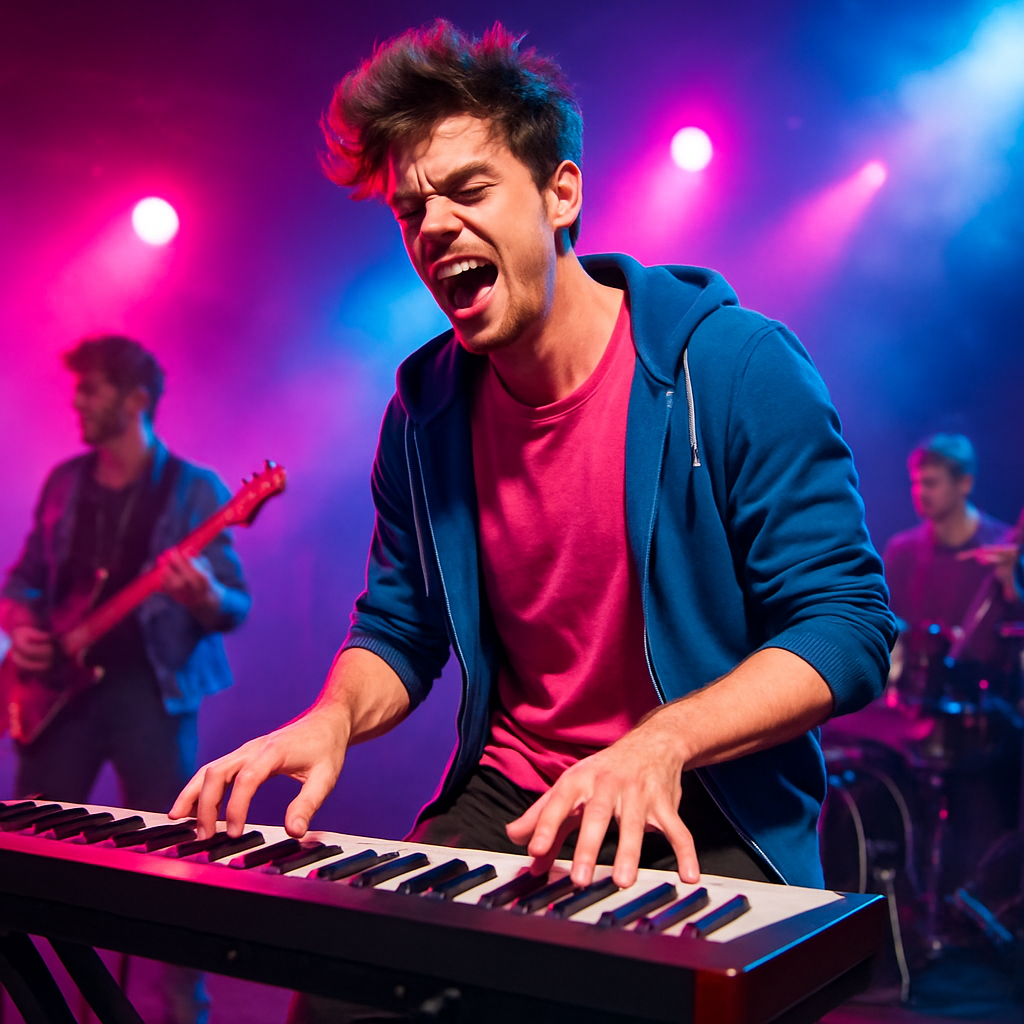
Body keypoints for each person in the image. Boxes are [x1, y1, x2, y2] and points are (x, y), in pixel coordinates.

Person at [174, 15, 892, 914]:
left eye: (468, 189)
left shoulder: (736, 366)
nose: (434, 227)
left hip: (705, 794)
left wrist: (659, 744)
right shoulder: (424, 417)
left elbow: (847, 625)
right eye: (411, 211)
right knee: (357, 968)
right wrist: (334, 719)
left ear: (561, 194)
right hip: (517, 799)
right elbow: (401, 628)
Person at [0, 334, 250, 1024]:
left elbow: (234, 604)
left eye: (91, 388)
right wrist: (22, 627)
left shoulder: (196, 489)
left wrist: (203, 596)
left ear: (136, 399)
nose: (78, 402)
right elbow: (23, 581)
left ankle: (181, 1009)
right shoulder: (64, 483)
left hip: (151, 696)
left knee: (173, 863)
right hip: (62, 699)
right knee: (28, 853)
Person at [883, 434, 1023, 696]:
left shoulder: (1003, 548)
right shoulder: (901, 550)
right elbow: (884, 620)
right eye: (916, 483)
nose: (920, 492)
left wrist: (1013, 587)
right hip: (911, 699)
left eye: (931, 483)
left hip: (983, 700)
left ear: (965, 483)